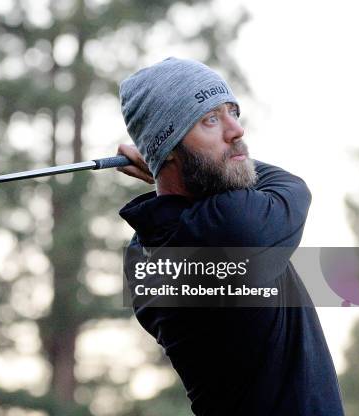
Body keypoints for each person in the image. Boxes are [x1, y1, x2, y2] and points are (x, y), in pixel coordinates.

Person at [116, 57, 344, 415]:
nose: (236, 131)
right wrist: (155, 161)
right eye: (210, 119)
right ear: (170, 146)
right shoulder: (233, 230)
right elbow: (291, 187)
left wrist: (163, 161)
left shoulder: (142, 260)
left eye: (232, 112)